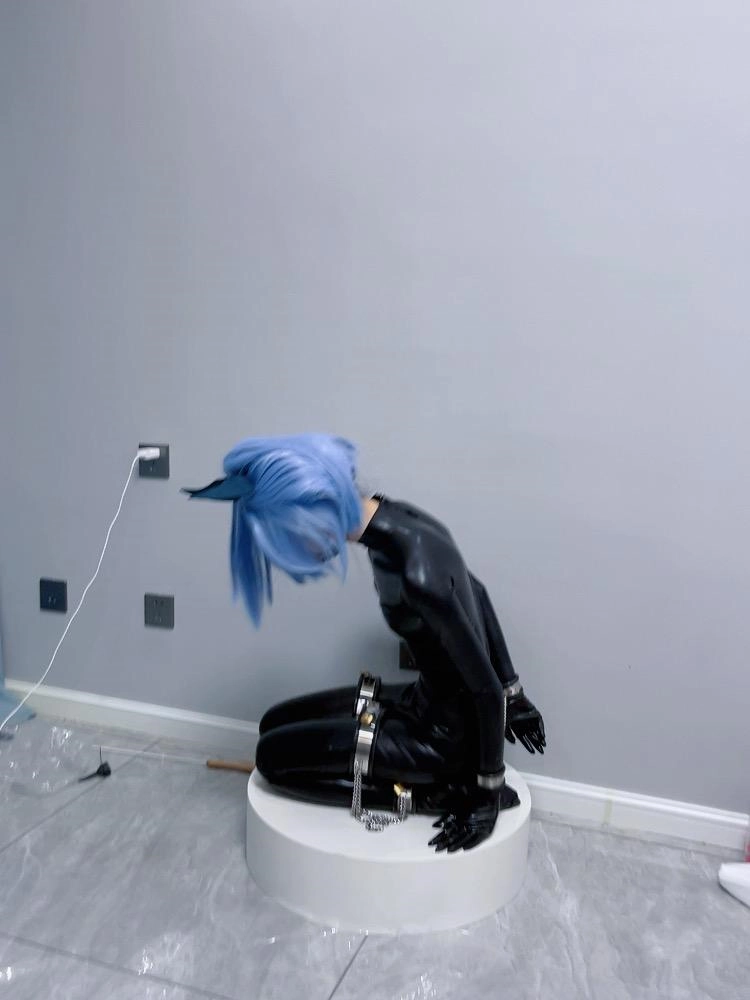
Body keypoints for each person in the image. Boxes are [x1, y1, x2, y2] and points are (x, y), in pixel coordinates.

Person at [185, 433, 545, 852]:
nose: (297, 551)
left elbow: (485, 691)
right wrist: (515, 691)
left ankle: (433, 794)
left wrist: (486, 793)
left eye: (290, 535)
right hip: (423, 698)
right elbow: (476, 592)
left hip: (441, 740)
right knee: (273, 721)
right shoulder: (399, 519)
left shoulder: (417, 573)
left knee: (271, 759)